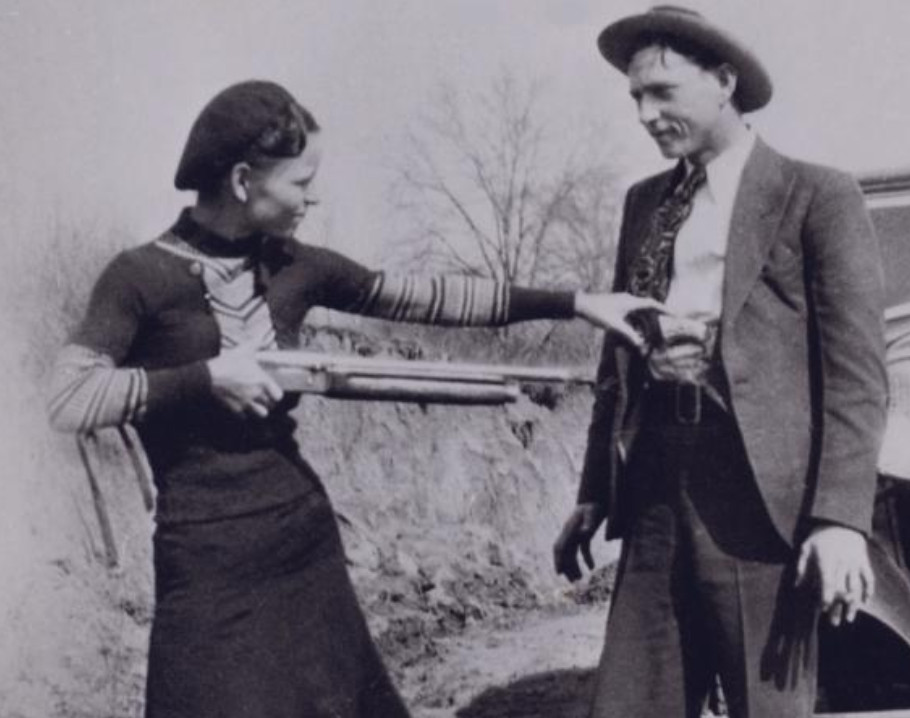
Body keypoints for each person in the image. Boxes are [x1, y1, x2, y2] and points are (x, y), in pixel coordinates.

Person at [45, 80, 660, 718]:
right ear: (242, 180)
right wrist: (206, 378)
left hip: (304, 549)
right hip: (204, 566)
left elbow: (427, 297)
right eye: (301, 181)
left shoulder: (295, 265)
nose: (313, 196)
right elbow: (69, 397)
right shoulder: (138, 278)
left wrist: (578, 303)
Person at [552, 6, 887, 718]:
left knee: (765, 705)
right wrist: (594, 491)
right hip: (653, 485)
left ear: (725, 82)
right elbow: (618, 360)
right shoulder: (644, 203)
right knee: (630, 702)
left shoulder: (816, 196)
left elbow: (857, 377)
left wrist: (839, 520)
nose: (645, 114)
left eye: (662, 92)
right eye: (635, 97)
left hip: (758, 499)